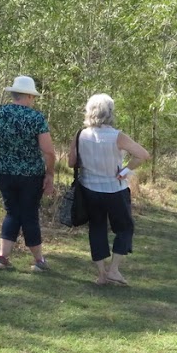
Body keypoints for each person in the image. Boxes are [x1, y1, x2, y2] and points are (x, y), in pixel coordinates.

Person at [68, 94, 150, 286]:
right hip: (115, 188)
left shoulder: (80, 135)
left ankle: (102, 274)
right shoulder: (117, 136)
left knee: (96, 228)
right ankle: (114, 269)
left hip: (89, 188)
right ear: (110, 113)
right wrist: (126, 169)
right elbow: (143, 154)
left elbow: (71, 162)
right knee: (124, 228)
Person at [0, 75, 55, 272]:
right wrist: (50, 174)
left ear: (14, 94)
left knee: (12, 212)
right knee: (29, 214)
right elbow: (48, 151)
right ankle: (39, 261)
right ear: (29, 96)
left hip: (4, 172)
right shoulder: (36, 118)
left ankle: (2, 257)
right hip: (31, 174)